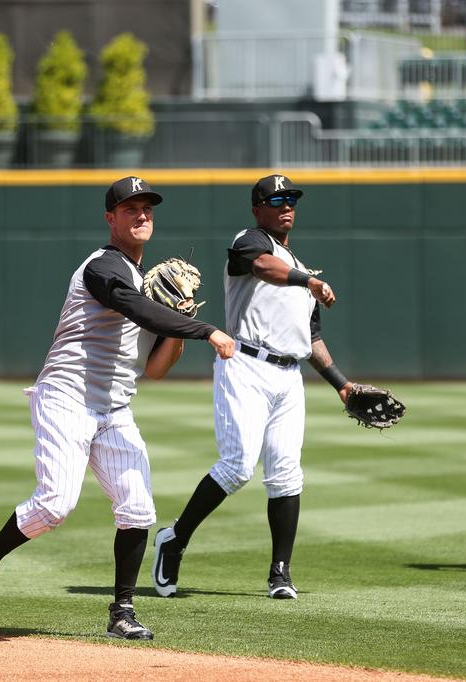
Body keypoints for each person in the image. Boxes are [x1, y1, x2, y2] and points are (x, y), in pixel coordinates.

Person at [0, 176, 236, 640]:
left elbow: (158, 368)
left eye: (147, 207)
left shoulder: (146, 290)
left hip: (115, 408)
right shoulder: (102, 268)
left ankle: (122, 611)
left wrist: (177, 325)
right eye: (130, 208)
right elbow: (132, 306)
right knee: (54, 505)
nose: (141, 214)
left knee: (139, 510)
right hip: (66, 397)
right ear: (111, 219)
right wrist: (204, 329)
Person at [150, 173, 353, 599]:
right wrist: (309, 282)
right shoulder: (249, 242)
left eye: (291, 199)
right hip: (244, 364)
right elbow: (264, 267)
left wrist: (342, 385)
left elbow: (311, 340)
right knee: (238, 465)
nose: (286, 205)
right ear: (258, 208)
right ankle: (176, 538)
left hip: (289, 377)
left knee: (286, 473)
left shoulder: (302, 273)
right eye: (276, 199)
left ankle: (280, 573)